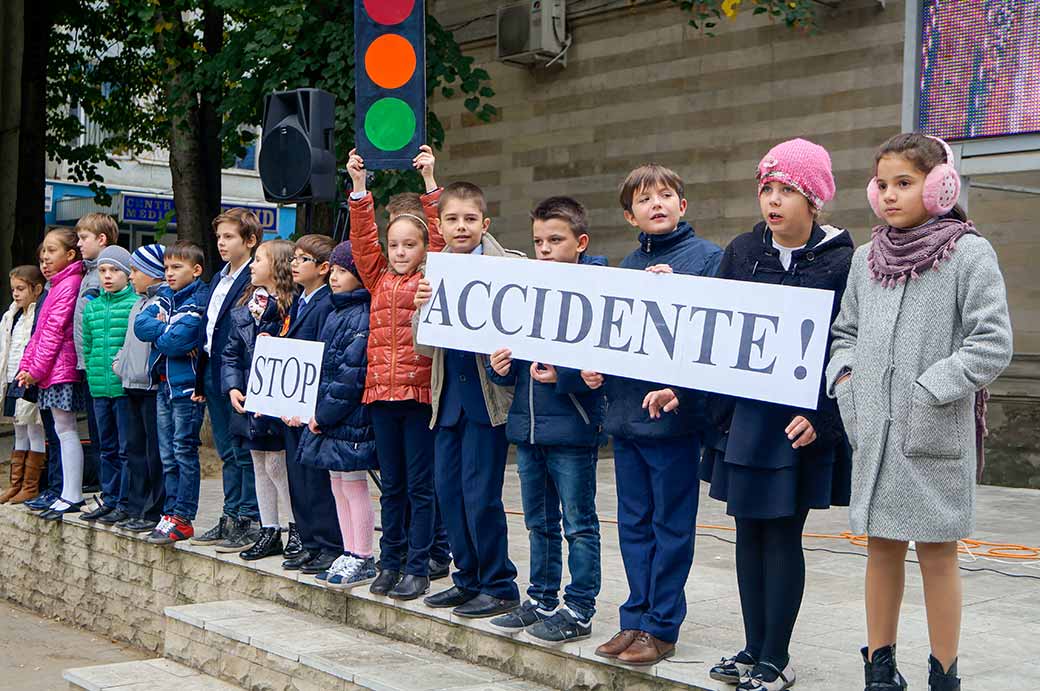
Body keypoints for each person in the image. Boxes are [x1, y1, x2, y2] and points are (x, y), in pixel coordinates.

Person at [826, 133, 1012, 691]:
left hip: (933, 432)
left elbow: (992, 342)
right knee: (880, 549)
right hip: (875, 435)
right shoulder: (865, 258)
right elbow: (846, 334)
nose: (888, 195)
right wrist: (848, 387)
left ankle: (944, 674)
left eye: (904, 183)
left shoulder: (968, 252)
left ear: (939, 186)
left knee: (937, 554)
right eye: (881, 184)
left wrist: (928, 390)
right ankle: (879, 669)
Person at [697, 139, 853, 691]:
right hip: (745, 420)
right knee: (747, 533)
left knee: (782, 534)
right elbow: (715, 332)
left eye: (788, 189)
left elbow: (851, 347)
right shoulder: (742, 251)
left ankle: (777, 657)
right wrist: (703, 405)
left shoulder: (844, 261)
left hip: (800, 423)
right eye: (767, 188)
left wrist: (824, 418)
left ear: (814, 198)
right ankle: (752, 646)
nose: (774, 200)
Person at [585, 164, 722, 665]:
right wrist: (597, 371)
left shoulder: (707, 260)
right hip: (625, 416)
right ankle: (635, 618)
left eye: (666, 195)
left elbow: (712, 339)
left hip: (673, 421)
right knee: (633, 524)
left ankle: (663, 626)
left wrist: (675, 293)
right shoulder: (624, 267)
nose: (657, 204)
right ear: (629, 215)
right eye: (645, 199)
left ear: (683, 206)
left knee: (671, 526)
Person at [485, 196, 606, 644]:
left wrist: (566, 376)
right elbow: (511, 364)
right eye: (538, 241)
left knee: (578, 522)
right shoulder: (527, 290)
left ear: (581, 242)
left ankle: (579, 606)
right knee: (538, 521)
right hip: (528, 427)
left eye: (556, 240)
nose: (545, 249)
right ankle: (540, 598)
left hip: (573, 428)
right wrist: (499, 367)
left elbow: (605, 366)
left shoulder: (599, 292)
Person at [413, 181, 525, 619]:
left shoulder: (510, 267)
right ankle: (468, 579)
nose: (461, 227)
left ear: (485, 223)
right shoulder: (432, 271)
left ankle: (499, 584)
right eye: (453, 219)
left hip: (487, 400)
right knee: (449, 493)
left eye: (470, 219)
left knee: (481, 495)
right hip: (448, 401)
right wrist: (422, 307)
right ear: (439, 225)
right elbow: (424, 345)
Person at [347, 145, 444, 600]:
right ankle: (390, 562)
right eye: (395, 245)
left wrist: (429, 185)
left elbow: (443, 237)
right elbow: (363, 241)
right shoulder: (379, 279)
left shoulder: (432, 280)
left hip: (418, 397)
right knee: (394, 486)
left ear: (424, 248)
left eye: (411, 244)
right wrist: (360, 189)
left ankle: (418, 566)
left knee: (421, 487)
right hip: (380, 397)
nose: (401, 251)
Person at [296, 241, 378, 589]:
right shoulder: (336, 312)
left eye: (344, 271)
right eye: (336, 270)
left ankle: (362, 554)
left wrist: (323, 414)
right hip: (328, 415)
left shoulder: (361, 315)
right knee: (337, 482)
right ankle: (349, 549)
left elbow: (351, 375)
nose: (335, 277)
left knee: (354, 483)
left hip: (349, 417)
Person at [192, 209, 263, 553]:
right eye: (219, 237)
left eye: (229, 237)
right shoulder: (219, 278)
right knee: (225, 450)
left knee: (243, 450)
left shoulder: (253, 280)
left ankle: (248, 519)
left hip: (238, 374)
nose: (221, 243)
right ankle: (230, 513)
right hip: (212, 372)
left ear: (249, 241)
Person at [221, 239, 297, 560]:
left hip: (277, 398)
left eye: (259, 260)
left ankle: (297, 529)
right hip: (250, 397)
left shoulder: (291, 307)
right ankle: (270, 529)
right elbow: (231, 353)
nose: (251, 266)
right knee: (259, 463)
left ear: (277, 267)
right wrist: (233, 386)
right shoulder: (247, 304)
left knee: (279, 464)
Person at [135, 241, 209, 544]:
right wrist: (166, 330)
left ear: (196, 270)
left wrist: (163, 332)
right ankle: (169, 512)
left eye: (176, 267)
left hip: (187, 388)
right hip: (163, 383)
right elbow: (141, 326)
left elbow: (179, 341)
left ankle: (183, 516)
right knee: (167, 455)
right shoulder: (165, 295)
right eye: (166, 268)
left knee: (183, 452)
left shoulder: (199, 298)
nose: (169, 273)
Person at [16, 227, 86, 520]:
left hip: (60, 369)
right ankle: (63, 492)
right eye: (42, 252)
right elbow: (39, 333)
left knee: (66, 430)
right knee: (59, 430)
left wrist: (35, 369)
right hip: (50, 369)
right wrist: (27, 366)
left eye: (51, 251)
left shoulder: (69, 284)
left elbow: (55, 332)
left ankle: (72, 494)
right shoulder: (56, 284)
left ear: (70, 255)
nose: (44, 258)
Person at [279, 234, 338, 574]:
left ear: (324, 268)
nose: (294, 264)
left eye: (303, 259)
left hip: (311, 403)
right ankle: (311, 541)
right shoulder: (299, 301)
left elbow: (320, 354)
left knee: (316, 480)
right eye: (294, 258)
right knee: (296, 476)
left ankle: (328, 543)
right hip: (292, 403)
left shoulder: (326, 303)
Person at [80, 246, 140, 526]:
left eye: (114, 270)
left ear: (128, 274)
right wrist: (93, 373)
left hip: (122, 389)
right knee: (105, 446)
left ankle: (126, 501)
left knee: (126, 447)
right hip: (99, 388)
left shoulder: (133, 304)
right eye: (103, 270)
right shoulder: (91, 308)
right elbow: (89, 346)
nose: (107, 276)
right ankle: (110, 497)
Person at [112, 244, 167, 533]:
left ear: (152, 273)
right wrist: (120, 364)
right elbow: (128, 342)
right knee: (133, 448)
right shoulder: (138, 303)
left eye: (135, 271)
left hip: (150, 387)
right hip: (130, 383)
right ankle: (135, 506)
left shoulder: (161, 304)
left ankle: (152, 510)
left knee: (152, 452)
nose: (131, 276)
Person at [74, 213, 117, 493]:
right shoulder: (87, 272)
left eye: (83, 238)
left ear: (101, 239)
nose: (78, 244)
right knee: (96, 429)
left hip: (101, 366)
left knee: (107, 434)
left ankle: (110, 489)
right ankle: (105, 487)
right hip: (89, 363)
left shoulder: (105, 275)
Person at [0, 265, 46, 504]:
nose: (15, 294)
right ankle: (15, 484)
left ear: (36, 289)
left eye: (20, 289)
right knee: (19, 427)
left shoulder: (38, 313)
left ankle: (31, 485)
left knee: (34, 428)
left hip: (29, 378)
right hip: (11, 378)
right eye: (13, 289)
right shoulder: (12, 314)